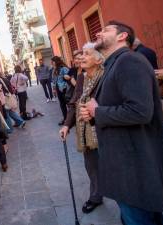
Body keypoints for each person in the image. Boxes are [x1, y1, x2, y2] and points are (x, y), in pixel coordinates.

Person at [80, 20, 163, 225]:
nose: (98, 32)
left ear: (122, 36)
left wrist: (98, 111)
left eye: (106, 30)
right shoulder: (115, 63)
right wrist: (93, 113)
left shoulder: (129, 61)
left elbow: (140, 111)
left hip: (133, 166)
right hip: (129, 163)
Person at [60, 42, 104, 214]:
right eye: (81, 55)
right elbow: (74, 102)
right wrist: (66, 125)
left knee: (113, 165)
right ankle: (96, 196)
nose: (80, 59)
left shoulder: (106, 76)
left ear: (99, 60)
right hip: (85, 130)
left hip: (105, 128)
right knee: (91, 165)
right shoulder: (81, 77)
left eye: (86, 54)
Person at [51, 56, 70, 125]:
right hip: (58, 89)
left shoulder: (63, 68)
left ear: (56, 62)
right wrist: (54, 89)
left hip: (64, 88)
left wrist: (65, 83)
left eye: (52, 62)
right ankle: (65, 118)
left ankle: (72, 118)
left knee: (68, 103)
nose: (51, 63)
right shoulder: (54, 70)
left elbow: (69, 76)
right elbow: (53, 80)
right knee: (62, 104)